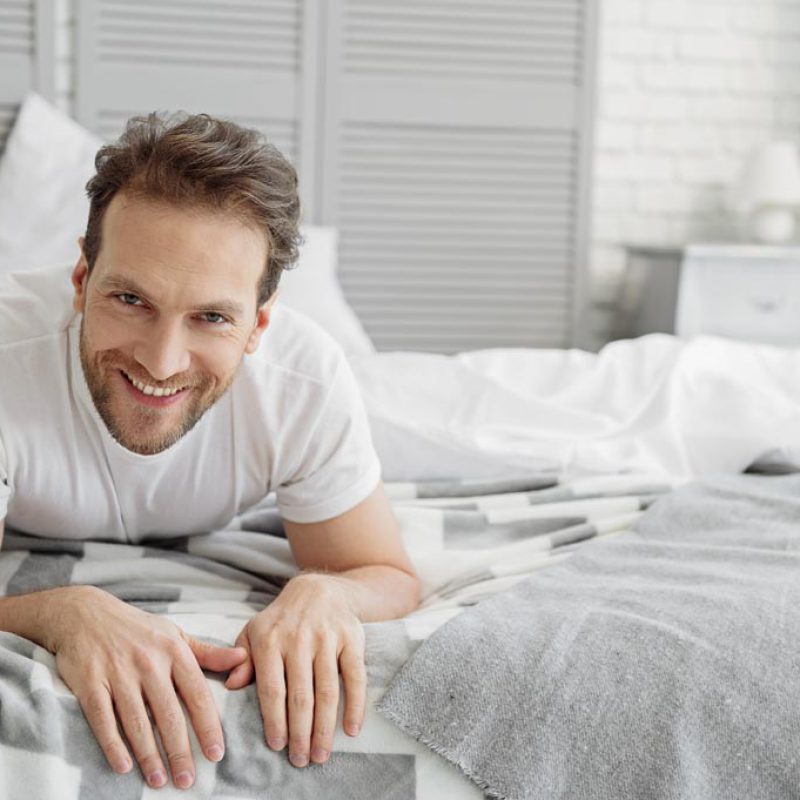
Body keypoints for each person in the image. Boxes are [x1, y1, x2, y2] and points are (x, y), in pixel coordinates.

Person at [0, 111, 420, 790]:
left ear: (258, 324)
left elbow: (386, 573)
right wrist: (61, 610)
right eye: (131, 299)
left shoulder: (303, 382)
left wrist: (325, 594)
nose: (161, 362)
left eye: (212, 317)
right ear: (81, 277)